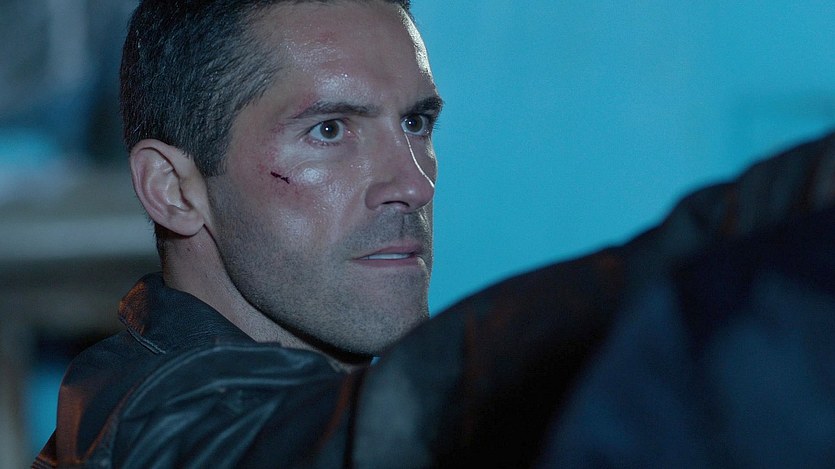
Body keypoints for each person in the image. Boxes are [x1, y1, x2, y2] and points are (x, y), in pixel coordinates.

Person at [35, 0, 835, 466]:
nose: (413, 183)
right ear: (173, 189)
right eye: (329, 130)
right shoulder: (159, 430)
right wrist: (772, 213)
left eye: (416, 123)